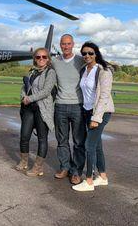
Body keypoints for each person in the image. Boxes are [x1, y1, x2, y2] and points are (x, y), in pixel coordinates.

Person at [72, 42, 114, 192]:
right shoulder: (84, 69)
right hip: (86, 110)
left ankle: (89, 181)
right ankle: (102, 177)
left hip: (100, 113)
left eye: (90, 53)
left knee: (89, 145)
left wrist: (96, 118)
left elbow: (104, 96)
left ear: (96, 53)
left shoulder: (104, 71)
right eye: (84, 53)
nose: (87, 56)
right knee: (96, 146)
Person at [16, 48, 56, 176]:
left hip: (42, 108)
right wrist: (23, 97)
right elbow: (25, 87)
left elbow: (46, 91)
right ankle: (24, 162)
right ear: (35, 59)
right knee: (24, 136)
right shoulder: (32, 72)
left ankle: (38, 167)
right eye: (38, 57)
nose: (41, 59)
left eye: (44, 57)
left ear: (48, 59)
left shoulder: (50, 72)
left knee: (42, 139)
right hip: (29, 108)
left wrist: (30, 98)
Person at [52, 34, 85, 184]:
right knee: (62, 140)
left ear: (73, 44)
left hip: (77, 106)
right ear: (60, 45)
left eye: (68, 44)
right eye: (63, 44)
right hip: (60, 105)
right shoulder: (55, 61)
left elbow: (96, 67)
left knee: (78, 142)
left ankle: (76, 172)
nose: (66, 46)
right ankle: (65, 167)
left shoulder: (80, 60)